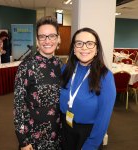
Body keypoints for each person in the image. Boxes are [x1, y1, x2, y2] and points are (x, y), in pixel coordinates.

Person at [60, 27, 116, 150]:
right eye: (79, 43)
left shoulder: (105, 76)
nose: (84, 48)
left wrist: (91, 145)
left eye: (89, 44)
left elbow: (104, 117)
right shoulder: (65, 70)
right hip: (65, 129)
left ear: (96, 49)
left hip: (88, 135)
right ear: (74, 49)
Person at [13, 16, 62, 150]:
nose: (47, 41)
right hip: (34, 139)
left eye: (52, 36)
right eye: (42, 37)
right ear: (37, 40)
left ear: (58, 39)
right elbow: (18, 104)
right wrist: (23, 140)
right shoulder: (26, 66)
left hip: (58, 135)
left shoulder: (60, 65)